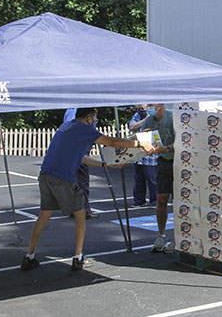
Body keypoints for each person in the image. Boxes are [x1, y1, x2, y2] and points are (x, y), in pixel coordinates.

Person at [21, 108, 155, 271]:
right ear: (89, 119)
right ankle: (78, 257)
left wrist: (105, 164)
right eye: (95, 119)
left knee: (44, 215)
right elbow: (112, 142)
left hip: (46, 175)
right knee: (80, 215)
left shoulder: (67, 127)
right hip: (63, 178)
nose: (95, 123)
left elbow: (80, 157)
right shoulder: (83, 129)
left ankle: (30, 255)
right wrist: (139, 143)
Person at [137, 104, 175, 252]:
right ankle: (161, 235)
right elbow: (144, 139)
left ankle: (177, 238)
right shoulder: (148, 121)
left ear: (161, 104)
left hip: (178, 161)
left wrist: (164, 148)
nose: (150, 109)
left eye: (152, 105)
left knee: (178, 201)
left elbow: (182, 142)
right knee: (161, 199)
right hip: (163, 162)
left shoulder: (172, 118)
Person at [63, 108, 97, 219]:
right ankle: (83, 209)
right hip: (79, 147)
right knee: (81, 180)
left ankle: (74, 208)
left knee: (75, 180)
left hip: (78, 146)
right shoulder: (75, 110)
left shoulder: (72, 109)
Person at [129, 105, 157, 207]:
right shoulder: (137, 115)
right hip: (138, 151)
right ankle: (139, 200)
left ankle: (155, 201)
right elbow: (132, 126)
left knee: (152, 178)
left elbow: (150, 128)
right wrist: (145, 119)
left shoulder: (154, 114)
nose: (140, 105)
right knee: (139, 178)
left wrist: (142, 123)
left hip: (150, 151)